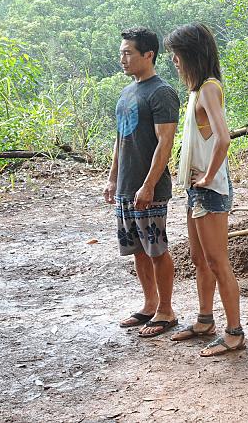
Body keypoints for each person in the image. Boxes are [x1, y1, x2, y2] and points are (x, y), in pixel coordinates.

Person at [164, 23, 244, 357]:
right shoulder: (197, 91)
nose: (174, 61)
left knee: (217, 261)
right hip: (196, 190)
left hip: (209, 191)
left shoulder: (209, 88)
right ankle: (204, 320)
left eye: (177, 55)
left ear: (192, 54)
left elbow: (224, 138)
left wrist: (208, 176)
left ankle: (234, 332)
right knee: (199, 259)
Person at [104, 27, 180, 337]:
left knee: (156, 248)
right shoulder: (127, 92)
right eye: (121, 53)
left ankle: (166, 311)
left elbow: (165, 142)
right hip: (126, 186)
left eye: (128, 53)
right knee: (137, 249)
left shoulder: (161, 92)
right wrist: (112, 179)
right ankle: (150, 305)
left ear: (148, 55)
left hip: (150, 188)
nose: (122, 59)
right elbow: (120, 140)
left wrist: (148, 185)